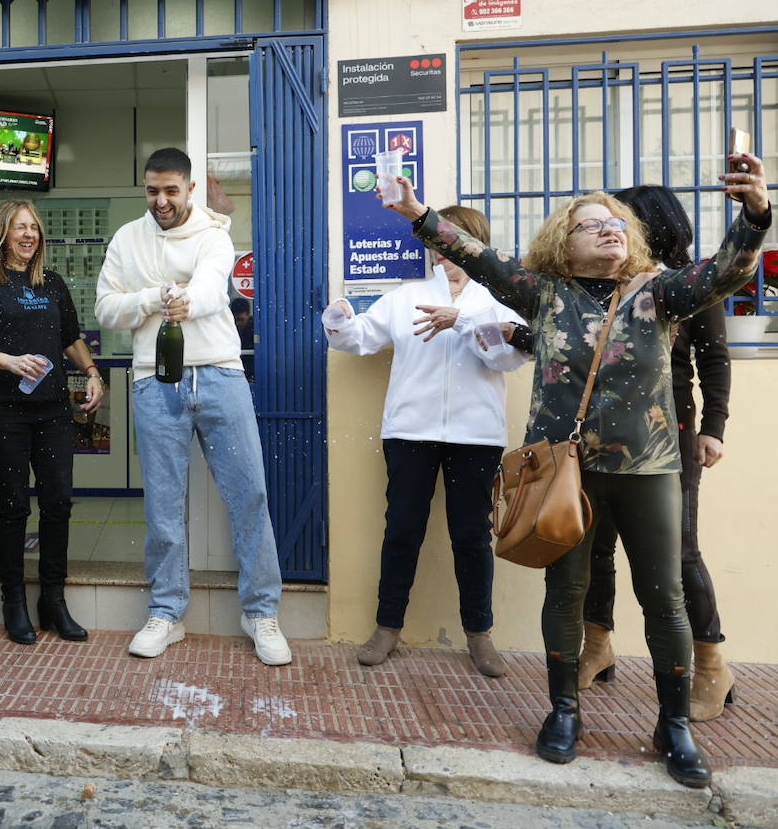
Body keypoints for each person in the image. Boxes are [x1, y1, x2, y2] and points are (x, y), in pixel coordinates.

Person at [387, 153, 770, 788]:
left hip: (648, 471)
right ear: (563, 241)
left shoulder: (659, 293)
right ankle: (564, 709)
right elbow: (481, 259)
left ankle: (672, 724)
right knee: (565, 593)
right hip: (563, 471)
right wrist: (419, 214)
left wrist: (755, 212)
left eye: (617, 222)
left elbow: (725, 270)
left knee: (664, 598)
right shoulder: (543, 294)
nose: (610, 228)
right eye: (591, 223)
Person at [95, 147, 290, 665]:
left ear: (189, 189)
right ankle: (167, 611)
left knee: (249, 495)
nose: (161, 200)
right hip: (154, 381)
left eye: (171, 191)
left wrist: (184, 301)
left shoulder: (214, 234)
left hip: (221, 373)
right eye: (152, 190)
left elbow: (208, 289)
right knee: (163, 505)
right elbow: (105, 307)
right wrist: (151, 299)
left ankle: (261, 612)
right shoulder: (126, 239)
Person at [324, 205, 529, 677]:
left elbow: (506, 362)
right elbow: (359, 340)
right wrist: (337, 321)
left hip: (476, 436)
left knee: (472, 535)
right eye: (440, 244)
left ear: (477, 246)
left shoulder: (498, 301)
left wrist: (460, 321)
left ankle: (480, 634)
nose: (445, 255)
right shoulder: (406, 297)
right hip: (410, 432)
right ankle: (387, 627)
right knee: (401, 531)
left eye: (456, 244)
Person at [579, 185, 735, 721]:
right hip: (602, 435)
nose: (613, 229)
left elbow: (714, 361)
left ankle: (712, 663)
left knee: (679, 551)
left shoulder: (687, 284)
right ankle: (597, 647)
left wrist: (713, 428)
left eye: (624, 220)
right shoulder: (610, 285)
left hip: (671, 433)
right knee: (595, 543)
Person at [0, 199, 105, 645]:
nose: (29, 235)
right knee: (15, 503)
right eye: (21, 227)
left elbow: (70, 339)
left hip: (52, 408)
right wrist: (6, 361)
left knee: (58, 500)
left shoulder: (52, 284)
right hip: (1, 409)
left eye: (35, 228)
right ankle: (13, 600)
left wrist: (93, 374)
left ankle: (53, 600)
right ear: (3, 232)